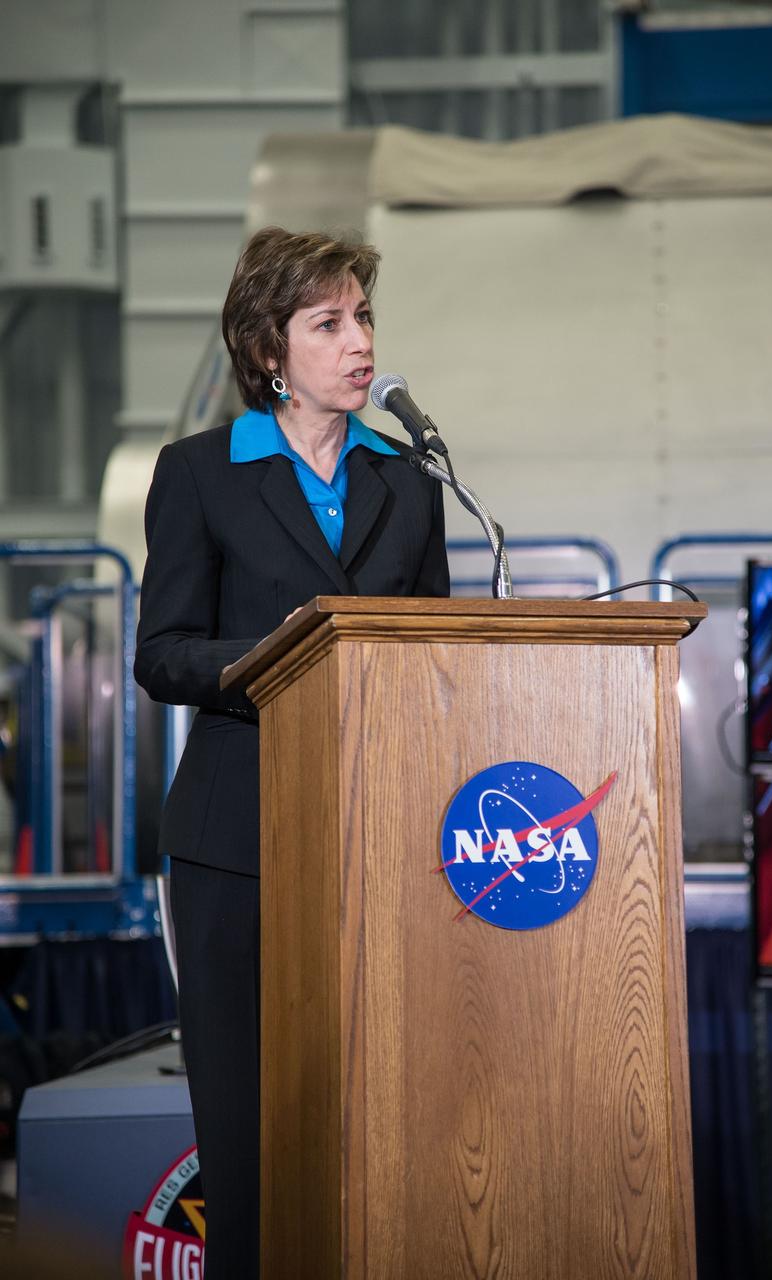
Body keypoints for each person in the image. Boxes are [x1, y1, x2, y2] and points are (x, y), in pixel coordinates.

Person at [134, 227, 450, 1280]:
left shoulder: (410, 480)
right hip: (237, 843)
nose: (360, 343)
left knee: (375, 1118)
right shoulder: (199, 473)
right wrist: (273, 658)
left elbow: (436, 657)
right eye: (329, 323)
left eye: (364, 317)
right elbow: (163, 652)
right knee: (248, 1134)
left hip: (379, 840)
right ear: (270, 349)